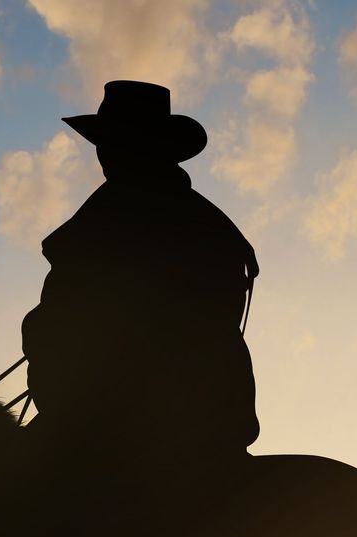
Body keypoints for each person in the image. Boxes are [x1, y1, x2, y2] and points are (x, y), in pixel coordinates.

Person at [21, 81, 259, 510]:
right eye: (104, 144)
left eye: (113, 143)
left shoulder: (113, 218)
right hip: (216, 405)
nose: (105, 154)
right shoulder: (210, 222)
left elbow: (73, 315)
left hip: (128, 411)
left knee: (20, 488)